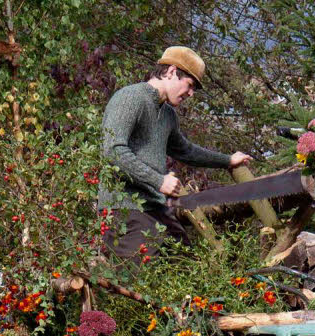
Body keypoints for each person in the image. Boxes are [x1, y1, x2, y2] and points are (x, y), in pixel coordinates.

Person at [99, 46, 253, 259]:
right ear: (171, 72)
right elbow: (113, 151)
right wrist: (159, 181)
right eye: (190, 85)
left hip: (154, 209)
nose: (190, 93)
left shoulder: (167, 115)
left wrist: (227, 160)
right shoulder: (131, 98)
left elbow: (186, 151)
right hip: (123, 209)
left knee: (187, 264)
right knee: (133, 283)